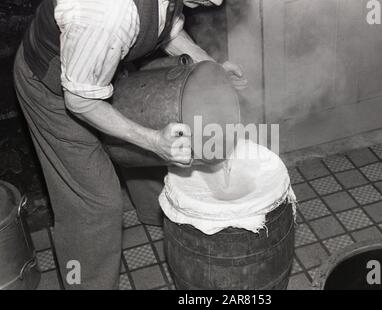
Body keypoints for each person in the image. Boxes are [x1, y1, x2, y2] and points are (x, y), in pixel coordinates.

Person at [13, 0, 247, 289]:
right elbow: (81, 101)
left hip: (105, 60)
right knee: (93, 205)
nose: (217, 2)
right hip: (54, 89)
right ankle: (82, 283)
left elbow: (168, 31)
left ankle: (156, 218)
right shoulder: (108, 12)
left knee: (160, 142)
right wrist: (152, 140)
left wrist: (212, 70)